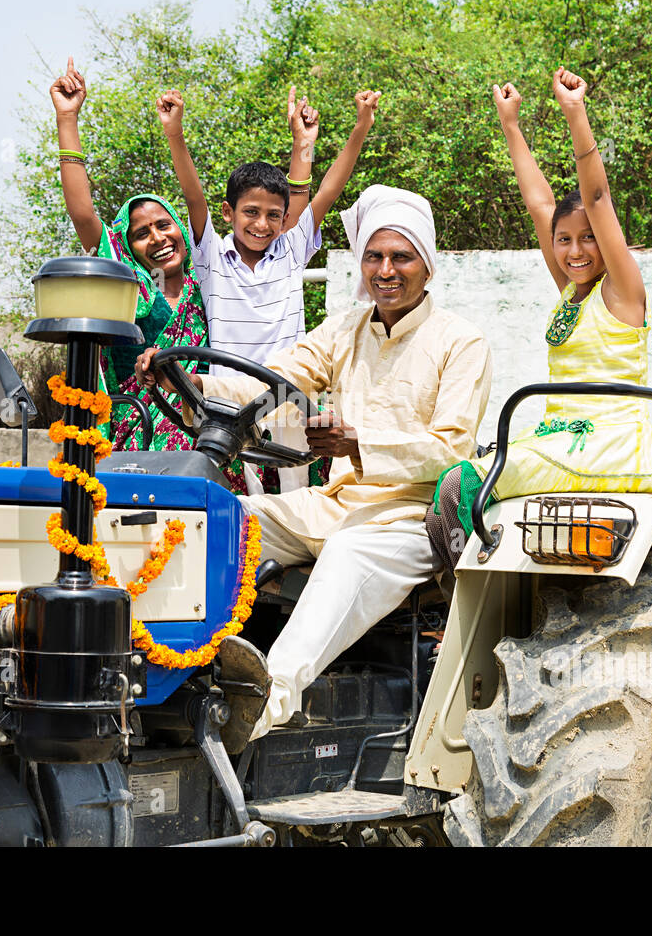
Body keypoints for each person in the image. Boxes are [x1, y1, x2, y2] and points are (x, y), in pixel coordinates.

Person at [137, 185, 492, 753]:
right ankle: (147, 670)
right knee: (219, 514)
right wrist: (198, 382)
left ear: (426, 264)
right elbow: (273, 379)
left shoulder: (460, 340)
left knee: (349, 554)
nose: (386, 271)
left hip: (407, 518)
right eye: (374, 257)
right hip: (333, 504)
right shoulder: (343, 331)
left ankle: (259, 704)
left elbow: (451, 448)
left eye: (401, 257)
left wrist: (358, 443)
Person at [426, 68, 652, 573]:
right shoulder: (569, 293)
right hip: (559, 438)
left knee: (460, 484)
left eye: (588, 238)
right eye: (564, 240)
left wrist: (575, 113)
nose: (575, 250)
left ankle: (458, 611)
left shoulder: (622, 293)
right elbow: (540, 203)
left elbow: (598, 199)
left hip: (609, 444)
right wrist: (511, 125)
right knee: (445, 478)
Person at [50, 58, 274, 492]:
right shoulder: (126, 290)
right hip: (145, 425)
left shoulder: (210, 277)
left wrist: (176, 133)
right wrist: (67, 118)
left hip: (214, 423)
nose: (157, 238)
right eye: (141, 234)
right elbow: (82, 213)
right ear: (125, 247)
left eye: (164, 224)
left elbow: (196, 200)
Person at [155, 85, 380, 494]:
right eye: (251, 213)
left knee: (296, 488)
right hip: (226, 399)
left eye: (274, 216)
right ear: (229, 213)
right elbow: (193, 193)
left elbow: (329, 187)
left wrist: (360, 126)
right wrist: (175, 133)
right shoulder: (211, 258)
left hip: (284, 394)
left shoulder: (290, 252)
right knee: (239, 493)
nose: (262, 225)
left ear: (285, 217)